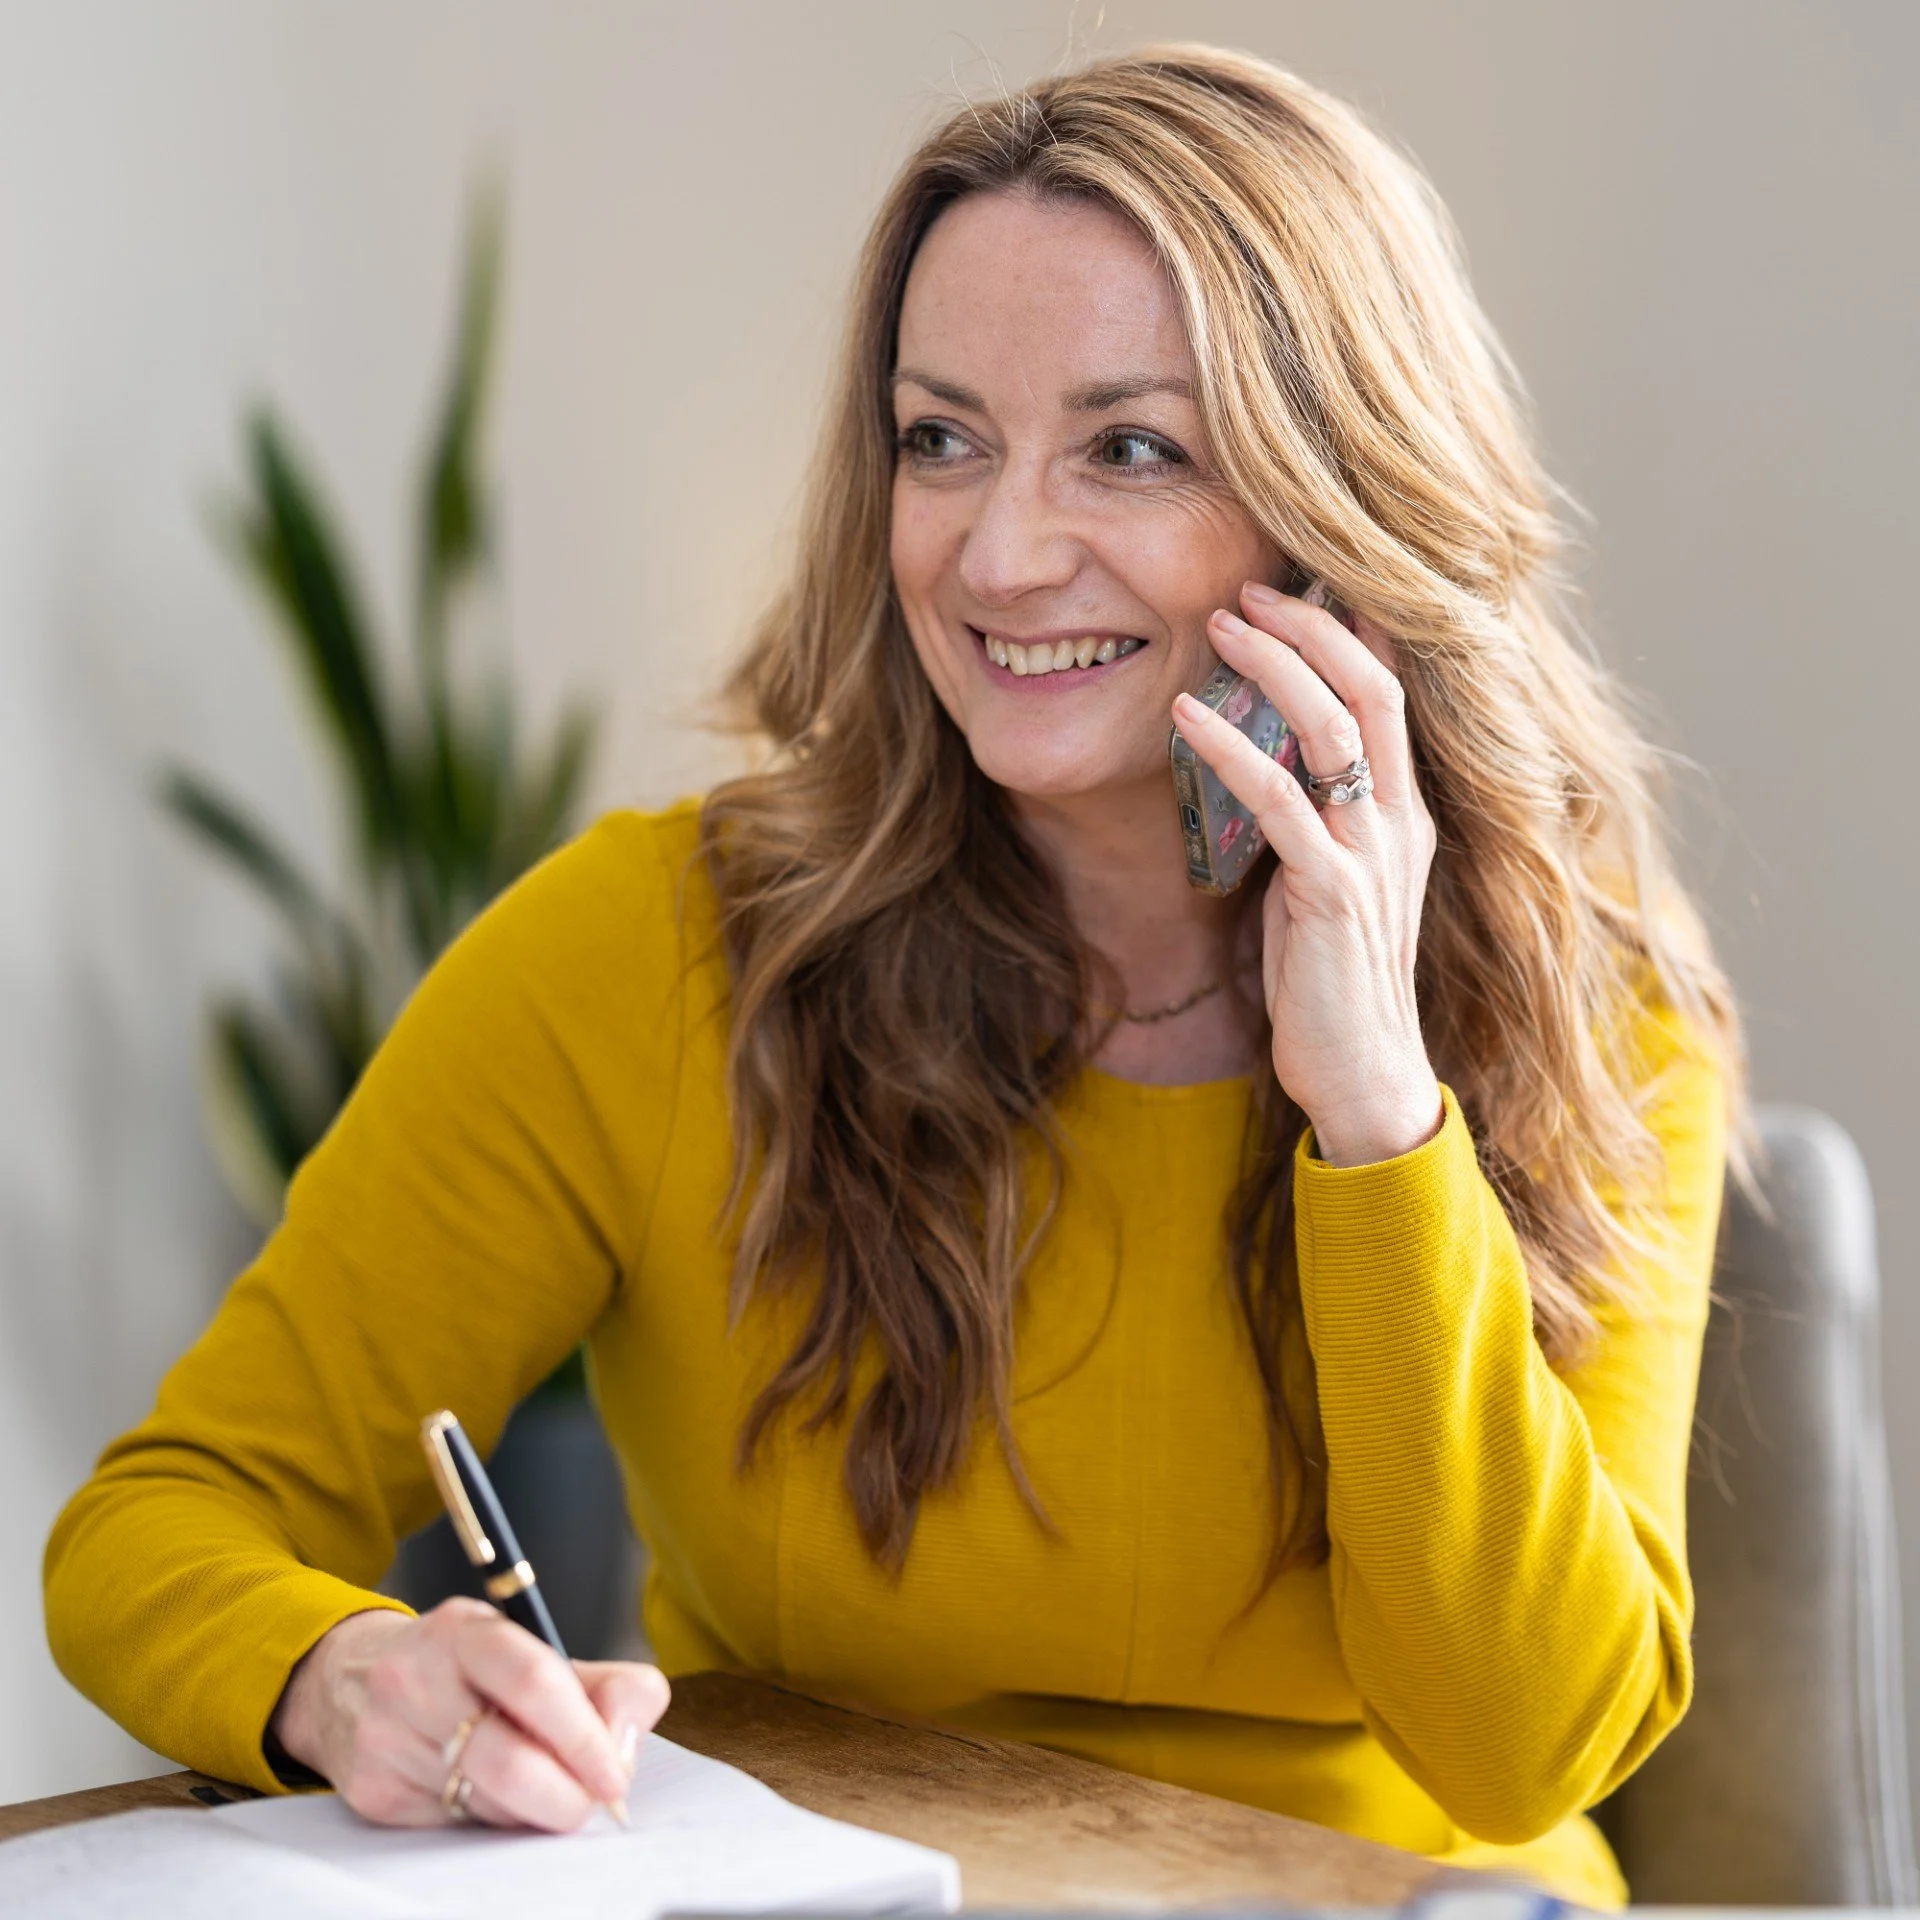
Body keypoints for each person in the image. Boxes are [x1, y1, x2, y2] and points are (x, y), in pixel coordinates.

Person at [44, 44, 1744, 1908]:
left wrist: (1374, 1112)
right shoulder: (653, 953)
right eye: (941, 438)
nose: (1000, 554)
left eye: (1134, 446)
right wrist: (337, 1675)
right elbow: (163, 1520)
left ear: (1340, 506)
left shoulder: (1587, 997)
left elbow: (1526, 1747)